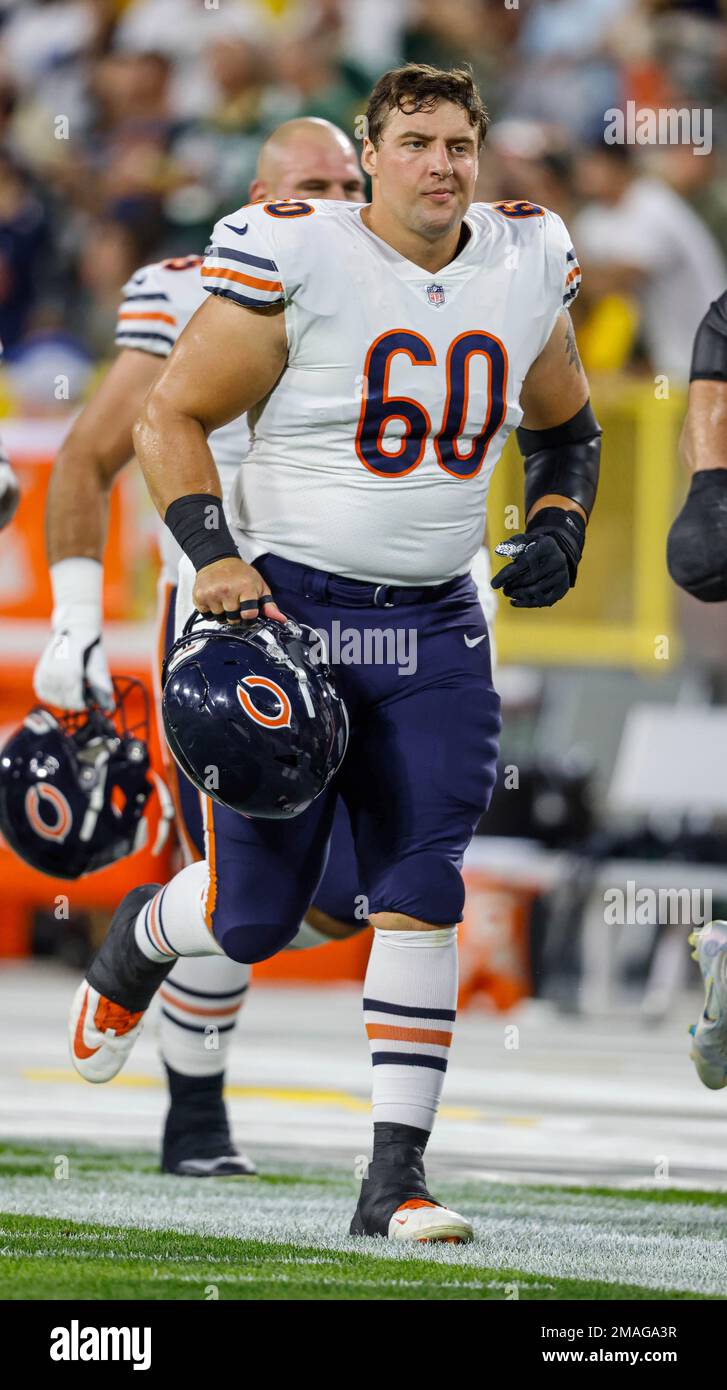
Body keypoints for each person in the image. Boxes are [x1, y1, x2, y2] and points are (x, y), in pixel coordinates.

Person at [70, 62, 600, 1242]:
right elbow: (170, 415)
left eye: (458, 144)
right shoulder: (295, 249)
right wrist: (211, 554)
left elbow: (568, 425)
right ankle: (140, 939)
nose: (440, 166)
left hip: (434, 621)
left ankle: (393, 1178)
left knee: (422, 882)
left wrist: (560, 523)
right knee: (262, 916)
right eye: (414, 143)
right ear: (371, 154)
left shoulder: (524, 254)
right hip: (290, 612)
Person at [36, 117, 370, 1177]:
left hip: (385, 609)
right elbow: (92, 458)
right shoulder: (193, 285)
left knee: (352, 893)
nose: (334, 198)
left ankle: (154, 930)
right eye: (310, 182)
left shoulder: (414, 272)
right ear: (255, 199)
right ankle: (196, 1116)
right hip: (237, 608)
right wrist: (77, 619)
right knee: (240, 885)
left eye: (348, 180)